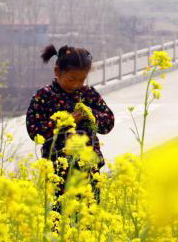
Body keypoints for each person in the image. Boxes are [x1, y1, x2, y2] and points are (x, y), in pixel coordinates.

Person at [26, 45, 114, 203]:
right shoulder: (44, 96)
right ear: (57, 72)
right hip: (57, 170)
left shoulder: (89, 95)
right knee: (59, 220)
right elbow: (34, 131)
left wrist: (90, 115)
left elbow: (108, 122)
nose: (76, 84)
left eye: (81, 79)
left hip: (89, 169)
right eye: (71, 79)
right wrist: (66, 122)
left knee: (89, 220)